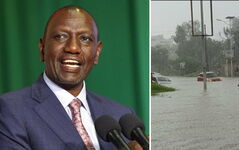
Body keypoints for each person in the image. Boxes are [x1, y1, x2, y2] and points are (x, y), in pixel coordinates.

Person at [0, 5, 143, 150]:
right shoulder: (10, 109)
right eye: (60, 36)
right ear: (42, 48)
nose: (73, 48)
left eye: (85, 38)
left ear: (97, 53)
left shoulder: (121, 115)